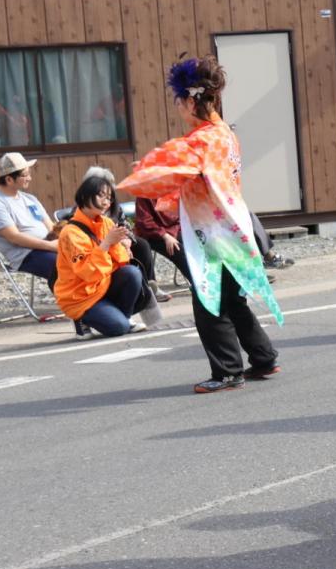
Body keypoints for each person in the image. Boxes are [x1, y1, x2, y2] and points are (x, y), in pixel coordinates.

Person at [119, 55, 282, 394]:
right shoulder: (224, 134)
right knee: (230, 298)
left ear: (191, 101)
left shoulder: (203, 140)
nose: (177, 106)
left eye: (179, 100)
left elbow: (176, 173)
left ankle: (227, 371)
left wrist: (144, 175)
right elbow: (186, 173)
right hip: (230, 224)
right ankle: (263, 357)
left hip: (212, 231)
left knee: (208, 299)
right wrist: (154, 169)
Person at [54, 175, 147, 337]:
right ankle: (81, 318)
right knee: (118, 328)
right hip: (80, 296)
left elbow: (120, 263)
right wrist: (106, 243)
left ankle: (124, 317)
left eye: (109, 198)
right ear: (84, 196)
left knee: (132, 272)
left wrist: (122, 245)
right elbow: (86, 272)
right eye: (101, 196)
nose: (106, 202)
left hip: (103, 285)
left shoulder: (107, 223)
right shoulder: (70, 232)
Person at [84, 166, 172, 305]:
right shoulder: (83, 209)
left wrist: (126, 239)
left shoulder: (113, 206)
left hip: (119, 240)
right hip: (101, 247)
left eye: (109, 190)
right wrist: (117, 242)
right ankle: (132, 291)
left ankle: (149, 285)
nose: (107, 197)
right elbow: (88, 236)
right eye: (102, 191)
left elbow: (125, 224)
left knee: (142, 244)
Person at [0, 152, 58, 288]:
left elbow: (51, 227)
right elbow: (14, 237)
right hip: (26, 255)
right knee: (64, 267)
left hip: (48, 246)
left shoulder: (30, 199)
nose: (30, 178)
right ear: (9, 179)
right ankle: (76, 305)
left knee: (84, 259)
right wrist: (51, 246)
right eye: (25, 175)